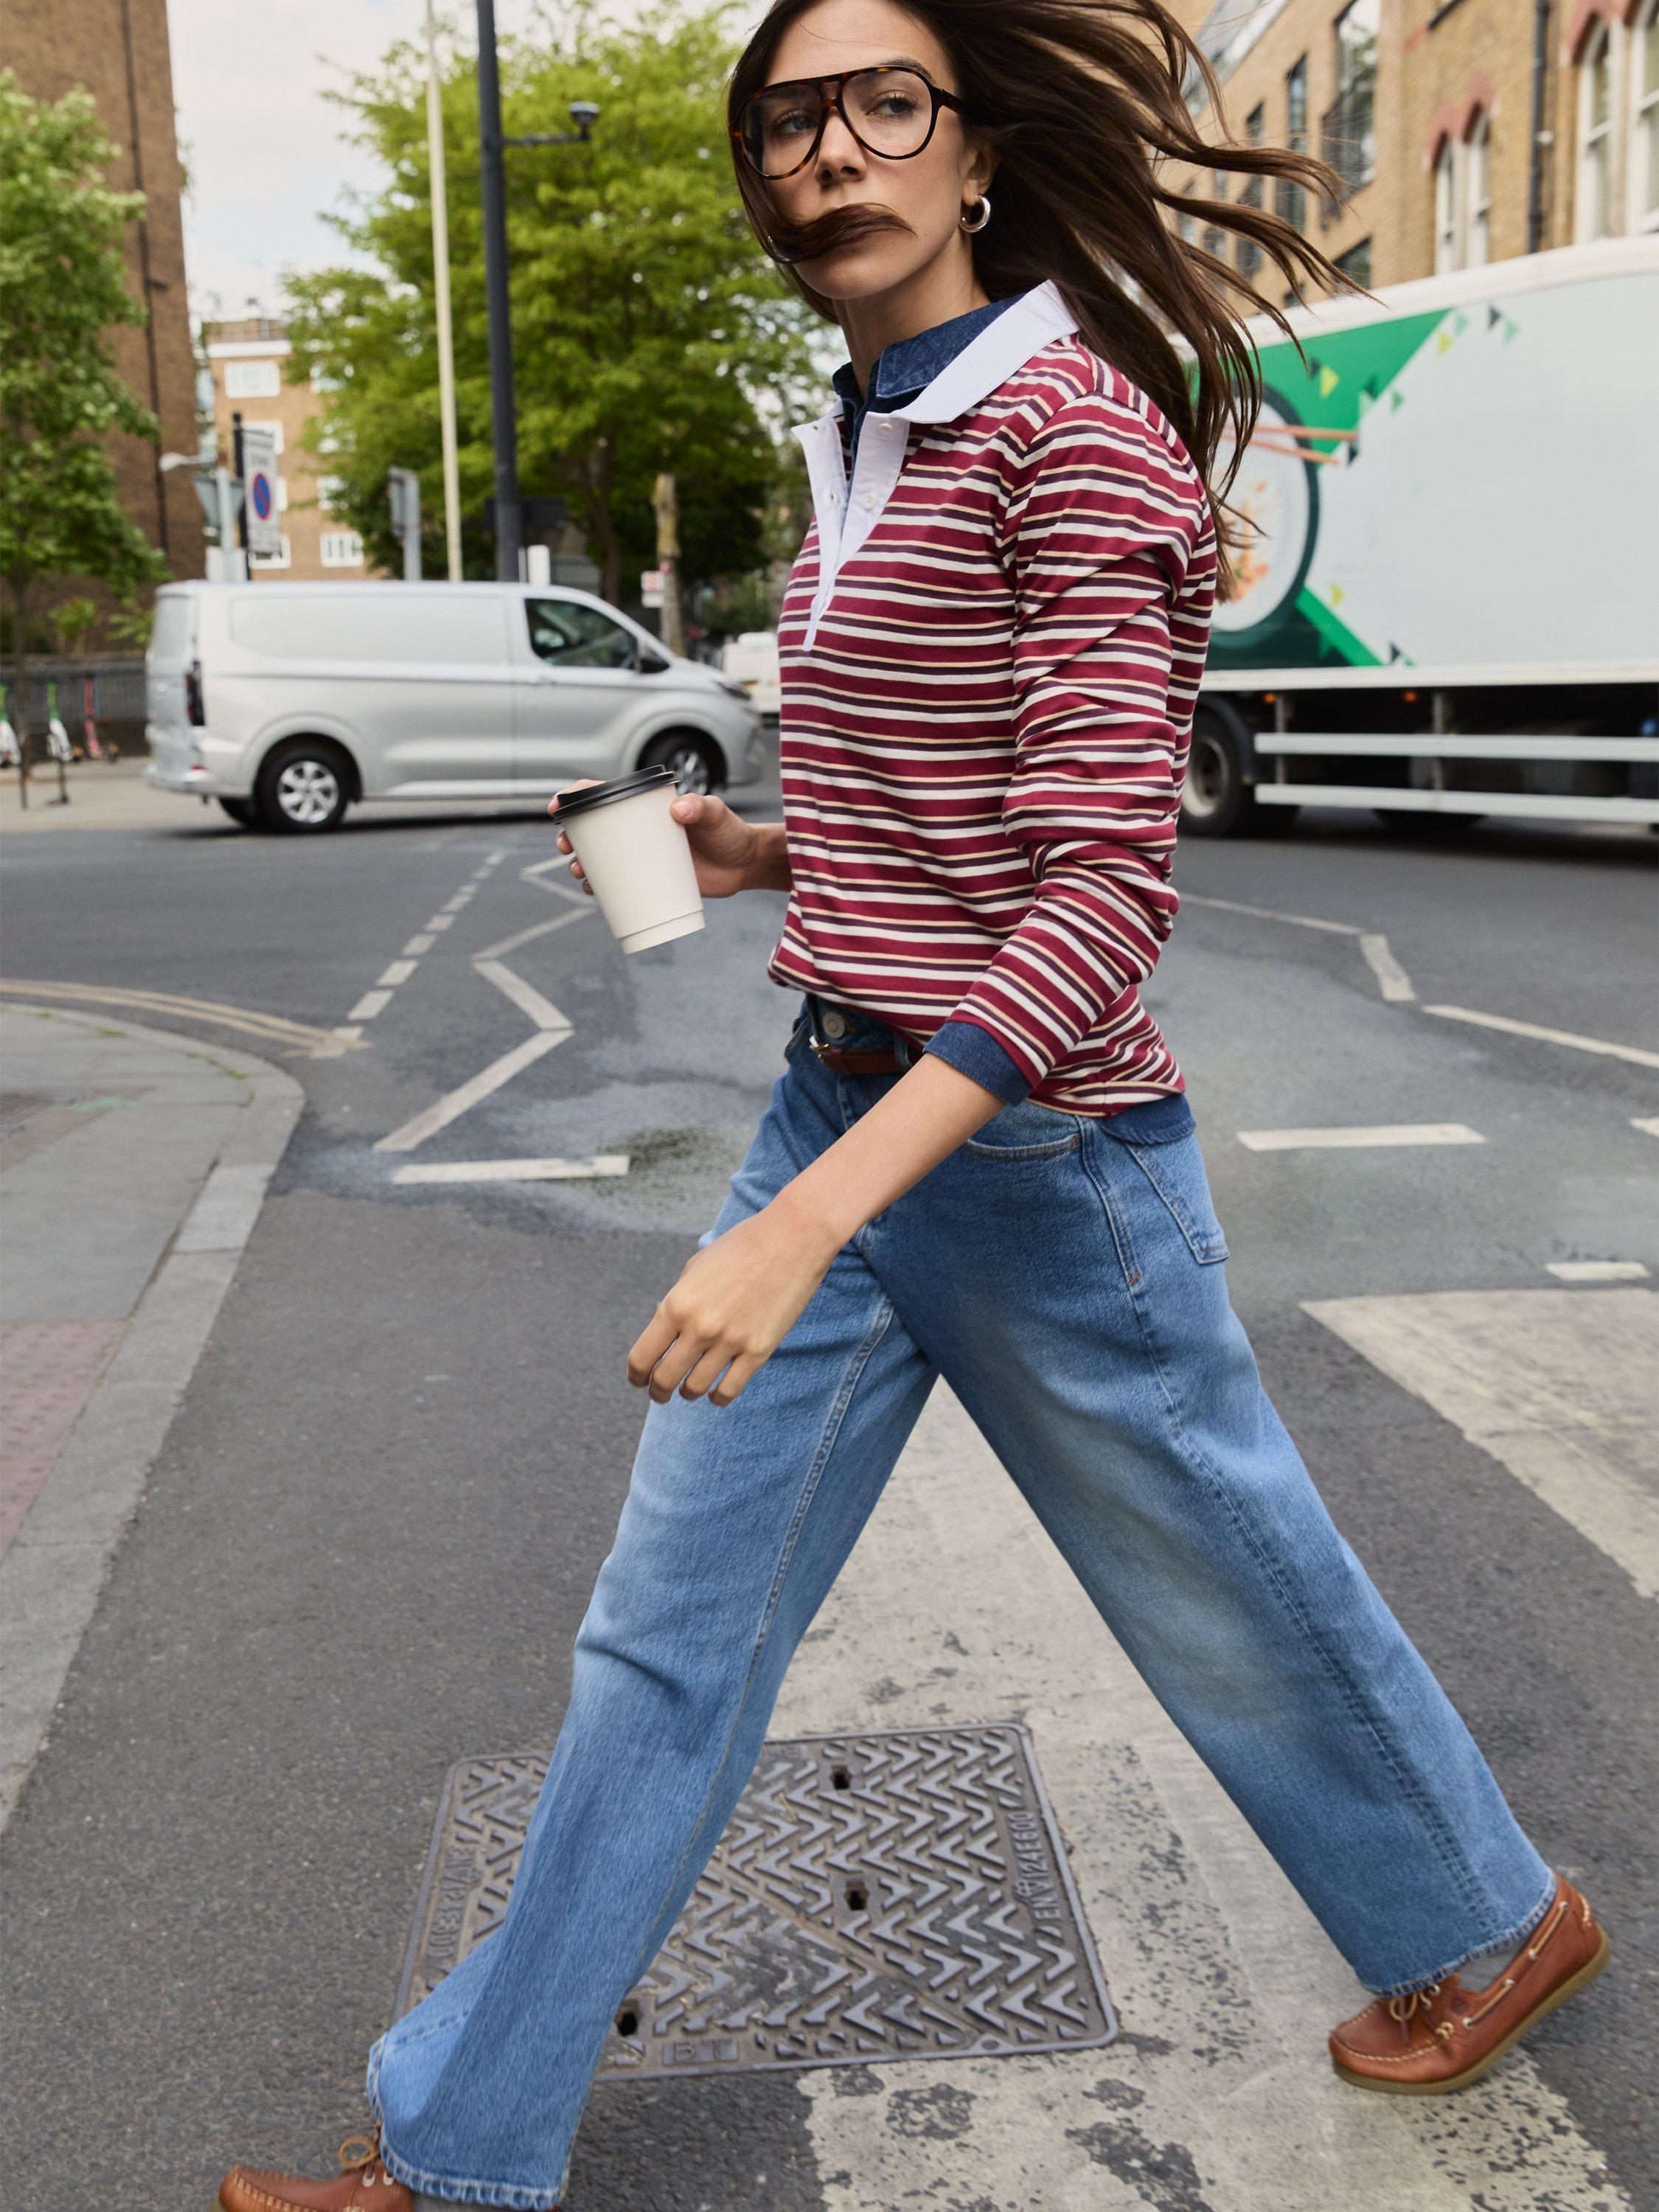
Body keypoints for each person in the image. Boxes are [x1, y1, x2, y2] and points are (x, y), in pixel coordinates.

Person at [218, 1, 1609, 2205]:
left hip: (1038, 1167)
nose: (823, 155)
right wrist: (763, 851)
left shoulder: (1077, 439)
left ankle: (1484, 1919)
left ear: (972, 157)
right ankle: (459, 2154)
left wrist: (790, 1228)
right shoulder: (870, 426)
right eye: (783, 123)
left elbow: (1089, 913)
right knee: (659, 1650)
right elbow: (937, 798)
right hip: (841, 1098)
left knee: (1229, 1578)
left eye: (880, 107)